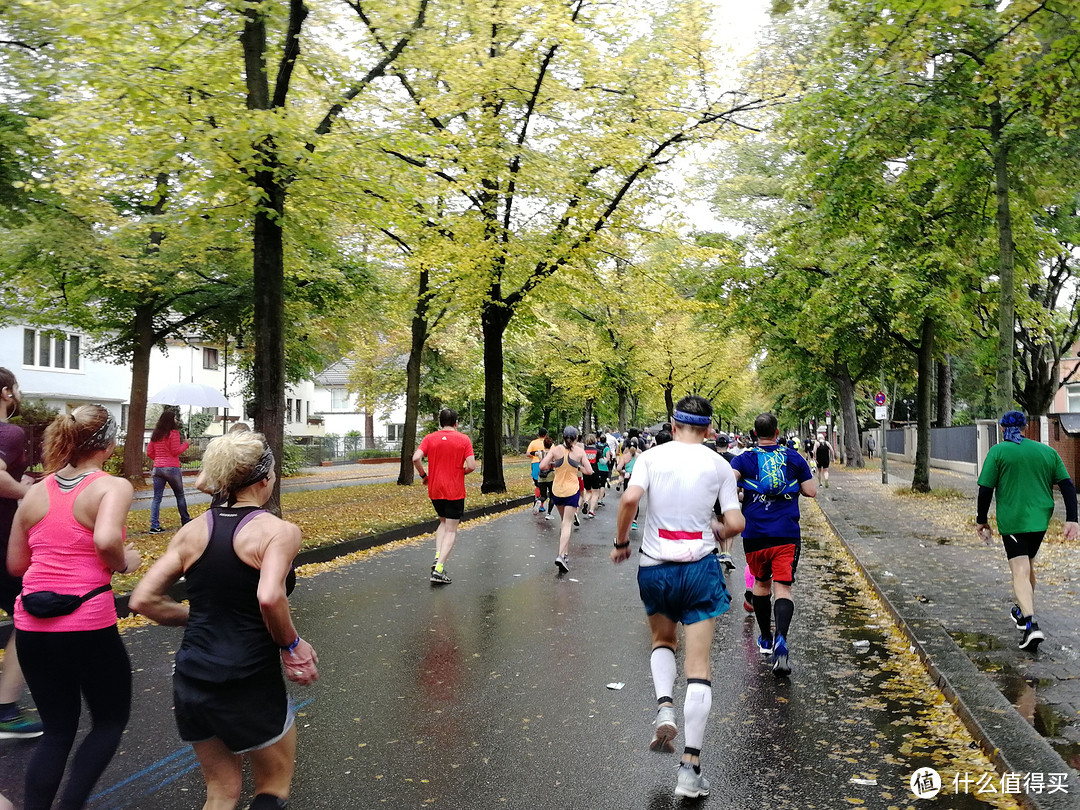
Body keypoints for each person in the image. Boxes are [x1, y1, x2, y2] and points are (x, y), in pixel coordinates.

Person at [130, 431, 317, 810]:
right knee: (273, 787)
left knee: (221, 792)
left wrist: (200, 617)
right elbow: (269, 596)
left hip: (193, 678)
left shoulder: (191, 533)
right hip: (247, 678)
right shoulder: (277, 533)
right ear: (265, 479)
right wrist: (293, 646)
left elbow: (142, 599)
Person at [611, 395, 743, 799]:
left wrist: (621, 542)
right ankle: (690, 769)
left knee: (662, 641)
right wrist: (719, 531)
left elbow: (631, 499)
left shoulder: (651, 458)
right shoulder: (721, 465)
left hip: (655, 567)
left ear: (673, 425)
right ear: (708, 430)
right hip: (700, 569)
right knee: (699, 666)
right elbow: (736, 520)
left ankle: (664, 705)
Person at [8, 404, 140, 809]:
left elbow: (16, 564)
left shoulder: (35, 492)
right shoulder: (111, 486)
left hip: (31, 624)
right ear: (110, 444)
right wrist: (123, 563)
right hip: (86, 623)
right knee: (110, 720)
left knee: (58, 729)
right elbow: (105, 541)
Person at [976, 411, 1079, 652]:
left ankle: (1031, 626)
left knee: (1020, 570)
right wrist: (1072, 519)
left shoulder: (998, 452)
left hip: (1013, 519)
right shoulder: (1047, 452)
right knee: (1029, 564)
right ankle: (1023, 612)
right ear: (1026, 428)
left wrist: (981, 520)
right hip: (1041, 519)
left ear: (1003, 429)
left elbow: (985, 489)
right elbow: (1067, 485)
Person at [731, 413, 816, 678]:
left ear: (755, 433)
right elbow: (811, 491)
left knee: (760, 584)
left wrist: (743, 493)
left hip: (755, 534)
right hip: (786, 534)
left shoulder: (743, 459)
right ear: (777, 432)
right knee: (783, 588)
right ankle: (782, 638)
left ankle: (765, 638)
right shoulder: (794, 458)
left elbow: (726, 484)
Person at [0, 368, 42, 740]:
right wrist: (23, 491)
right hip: (1, 544)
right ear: (5, 392)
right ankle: (6, 710)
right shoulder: (8, 431)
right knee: (29, 618)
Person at [412, 409, 477, 585]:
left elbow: (416, 458)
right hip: (454, 489)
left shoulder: (429, 438)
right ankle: (439, 570)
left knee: (442, 522)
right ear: (456, 422)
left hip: (435, 488)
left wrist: (424, 475)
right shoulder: (464, 439)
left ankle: (437, 557)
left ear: (441, 422)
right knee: (451, 529)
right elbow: (471, 465)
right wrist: (461, 472)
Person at [539, 426, 592, 573]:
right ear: (576, 438)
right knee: (567, 524)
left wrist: (555, 464)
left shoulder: (555, 450)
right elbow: (589, 471)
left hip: (557, 490)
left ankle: (565, 554)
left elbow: (542, 466)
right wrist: (577, 467)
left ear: (563, 437)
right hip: (571, 491)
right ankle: (560, 555)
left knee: (564, 522)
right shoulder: (580, 452)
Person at [146, 407, 192, 533]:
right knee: (180, 495)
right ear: (170, 420)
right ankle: (185, 520)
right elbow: (175, 451)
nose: (177, 420)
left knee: (157, 498)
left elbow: (149, 451)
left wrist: (159, 459)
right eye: (175, 418)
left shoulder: (155, 435)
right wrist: (187, 443)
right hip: (172, 468)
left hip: (157, 469)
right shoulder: (173, 433)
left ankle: (154, 525)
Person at [713, 434, 738, 573]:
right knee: (730, 524)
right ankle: (728, 553)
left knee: (720, 523)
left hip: (715, 494)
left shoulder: (712, 459)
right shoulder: (733, 459)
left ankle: (723, 552)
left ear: (716, 444)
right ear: (728, 444)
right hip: (729, 494)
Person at [526, 428, 548, 515]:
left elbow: (528, 453)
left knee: (537, 485)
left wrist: (534, 456)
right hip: (545, 465)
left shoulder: (533, 442)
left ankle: (536, 499)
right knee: (544, 486)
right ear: (546, 434)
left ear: (538, 434)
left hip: (535, 464)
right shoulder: (548, 442)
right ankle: (541, 505)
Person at [582, 434, 602, 518]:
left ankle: (586, 501)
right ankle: (591, 510)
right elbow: (602, 462)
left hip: (585, 472)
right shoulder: (597, 451)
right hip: (595, 472)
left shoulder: (583, 451)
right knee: (596, 491)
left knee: (588, 490)